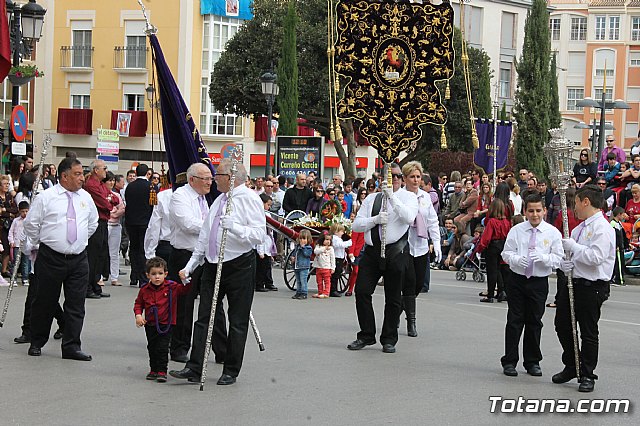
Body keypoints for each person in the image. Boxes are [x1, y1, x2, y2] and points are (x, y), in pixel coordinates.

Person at [170, 159, 265, 386]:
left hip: (238, 264)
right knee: (204, 317)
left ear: (232, 178)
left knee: (237, 319)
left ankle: (231, 369)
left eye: (218, 175)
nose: (214, 180)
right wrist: (192, 264)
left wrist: (236, 227)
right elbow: (206, 234)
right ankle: (194, 367)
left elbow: (259, 235)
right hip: (213, 263)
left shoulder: (249, 198)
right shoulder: (219, 200)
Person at [24, 157, 98, 361]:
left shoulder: (86, 198)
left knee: (76, 304)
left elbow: (92, 224)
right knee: (44, 301)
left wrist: (78, 242)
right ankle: (37, 341)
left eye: (82, 174)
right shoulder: (46, 197)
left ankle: (72, 346)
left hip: (78, 259)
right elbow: (31, 224)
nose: (82, 178)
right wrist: (45, 241)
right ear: (64, 176)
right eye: (77, 174)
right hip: (51, 257)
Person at [347, 164, 418, 354]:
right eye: (388, 176)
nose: (392, 179)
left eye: (396, 176)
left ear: (401, 179)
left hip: (396, 251)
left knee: (393, 297)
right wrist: (375, 219)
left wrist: (392, 198)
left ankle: (389, 338)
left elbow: (409, 217)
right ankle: (366, 334)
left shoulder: (409, 197)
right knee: (362, 291)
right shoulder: (371, 199)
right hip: (372, 251)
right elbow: (357, 225)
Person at [556, 185, 615, 392]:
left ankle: (588, 373)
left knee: (588, 331)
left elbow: (596, 258)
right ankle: (573, 364)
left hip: (593, 286)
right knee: (562, 324)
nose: (575, 208)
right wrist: (566, 262)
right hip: (575, 282)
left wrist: (574, 248)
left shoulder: (602, 228)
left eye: (577, 203)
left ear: (586, 202)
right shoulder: (579, 228)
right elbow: (575, 255)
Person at [500, 193, 564, 378]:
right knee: (514, 320)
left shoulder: (552, 233)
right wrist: (516, 259)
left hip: (538, 281)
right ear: (525, 211)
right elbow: (506, 253)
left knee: (535, 321)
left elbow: (558, 258)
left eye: (538, 210)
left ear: (544, 210)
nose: (535, 215)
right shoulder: (517, 230)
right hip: (518, 279)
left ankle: (532, 361)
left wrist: (544, 258)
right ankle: (510, 360)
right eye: (531, 211)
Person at [167, 163, 213, 363]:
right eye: (206, 179)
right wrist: (214, 226)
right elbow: (188, 224)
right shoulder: (180, 196)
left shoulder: (204, 198)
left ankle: (216, 347)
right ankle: (179, 347)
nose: (210, 182)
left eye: (211, 178)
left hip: (205, 255)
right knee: (183, 305)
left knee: (212, 303)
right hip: (184, 256)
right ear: (192, 179)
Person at [134, 257, 192, 382]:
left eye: (160, 274)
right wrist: (138, 315)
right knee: (152, 347)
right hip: (150, 324)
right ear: (148, 275)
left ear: (165, 274)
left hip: (166, 323)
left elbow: (185, 290)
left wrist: (185, 279)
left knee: (162, 347)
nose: (157, 277)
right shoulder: (144, 289)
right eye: (153, 274)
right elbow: (138, 304)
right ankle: (153, 369)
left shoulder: (172, 287)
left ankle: (162, 370)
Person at [402, 161, 440, 336]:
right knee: (409, 283)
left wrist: (437, 243)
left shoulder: (425, 197)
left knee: (418, 284)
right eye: (412, 177)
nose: (416, 180)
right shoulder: (400, 196)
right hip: (404, 246)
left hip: (422, 245)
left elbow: (432, 221)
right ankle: (411, 322)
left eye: (418, 177)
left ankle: (399, 308)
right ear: (405, 179)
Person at [83, 160, 113, 299]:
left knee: (101, 255)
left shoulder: (100, 184)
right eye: (104, 168)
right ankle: (88, 287)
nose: (106, 171)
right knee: (93, 256)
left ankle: (96, 285)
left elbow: (113, 199)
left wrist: (109, 200)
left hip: (103, 222)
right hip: (96, 221)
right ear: (96, 170)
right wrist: (109, 201)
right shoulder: (91, 185)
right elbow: (105, 203)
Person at [475, 199, 510, 303]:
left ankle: (490, 295)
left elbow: (486, 238)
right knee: (499, 269)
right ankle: (501, 291)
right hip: (503, 245)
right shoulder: (506, 222)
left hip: (493, 246)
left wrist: (480, 248)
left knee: (492, 271)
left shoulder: (492, 222)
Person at [124, 164, 153, 287]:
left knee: (134, 248)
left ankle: (133, 276)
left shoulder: (130, 186)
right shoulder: (150, 187)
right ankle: (142, 278)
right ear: (147, 173)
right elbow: (153, 204)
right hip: (145, 222)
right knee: (142, 249)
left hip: (131, 221)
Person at [104, 172, 125, 286]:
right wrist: (112, 212)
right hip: (106, 224)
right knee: (102, 252)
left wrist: (114, 213)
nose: (111, 183)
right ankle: (100, 276)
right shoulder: (101, 194)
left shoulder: (116, 195)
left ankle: (114, 277)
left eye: (113, 180)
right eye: (109, 180)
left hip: (116, 225)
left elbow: (122, 208)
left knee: (114, 252)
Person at [144, 187, 173, 264]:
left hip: (168, 244)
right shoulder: (162, 196)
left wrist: (150, 252)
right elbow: (154, 226)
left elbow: (154, 226)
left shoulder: (163, 196)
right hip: (169, 245)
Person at [255, 193, 278, 292]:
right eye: (268, 205)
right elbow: (261, 233)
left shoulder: (267, 214)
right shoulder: (258, 215)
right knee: (261, 267)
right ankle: (259, 284)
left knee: (268, 265)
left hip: (268, 242)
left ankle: (269, 282)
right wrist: (260, 251)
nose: (269, 207)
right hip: (262, 244)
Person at [8, 201, 32, 285]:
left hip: (26, 245)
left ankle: (25, 278)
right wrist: (11, 241)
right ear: (19, 211)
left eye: (26, 211)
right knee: (15, 262)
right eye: (22, 211)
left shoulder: (30, 221)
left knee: (26, 262)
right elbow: (11, 232)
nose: (25, 213)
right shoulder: (16, 221)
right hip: (17, 244)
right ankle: (13, 278)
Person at [0, 175, 18, 278]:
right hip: (1, 225)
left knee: (6, 248)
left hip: (7, 226)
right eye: (4, 184)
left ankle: (4, 269)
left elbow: (15, 210)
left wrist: (6, 211)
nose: (7, 186)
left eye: (8, 184)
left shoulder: (9, 197)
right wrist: (8, 213)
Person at [329, 223, 352, 297]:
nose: (343, 233)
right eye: (341, 231)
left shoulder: (338, 238)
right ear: (336, 232)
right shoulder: (335, 238)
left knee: (337, 274)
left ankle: (333, 289)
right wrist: (350, 242)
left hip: (340, 257)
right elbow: (340, 245)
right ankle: (333, 290)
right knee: (335, 275)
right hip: (337, 258)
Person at [291, 229, 313, 300]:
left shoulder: (308, 248)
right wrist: (293, 257)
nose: (302, 240)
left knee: (303, 280)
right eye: (300, 238)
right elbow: (294, 253)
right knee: (298, 280)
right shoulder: (297, 246)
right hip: (297, 266)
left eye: (304, 239)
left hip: (304, 267)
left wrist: (303, 248)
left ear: (308, 240)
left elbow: (307, 254)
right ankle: (298, 292)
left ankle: (304, 293)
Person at [312, 232, 335, 299]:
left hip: (327, 268)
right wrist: (324, 248)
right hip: (318, 267)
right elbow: (316, 251)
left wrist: (333, 267)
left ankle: (326, 293)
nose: (328, 241)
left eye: (329, 240)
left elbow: (332, 258)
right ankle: (320, 292)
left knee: (327, 281)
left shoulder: (331, 249)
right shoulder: (318, 246)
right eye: (326, 239)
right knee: (319, 281)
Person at [609, 206, 627, 286]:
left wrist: (627, 244)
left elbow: (622, 235)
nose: (623, 217)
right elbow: (613, 236)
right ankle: (619, 280)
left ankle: (616, 278)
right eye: (623, 215)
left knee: (621, 262)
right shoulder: (613, 224)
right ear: (619, 215)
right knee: (618, 264)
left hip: (621, 246)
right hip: (617, 247)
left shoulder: (619, 224)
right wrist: (615, 245)